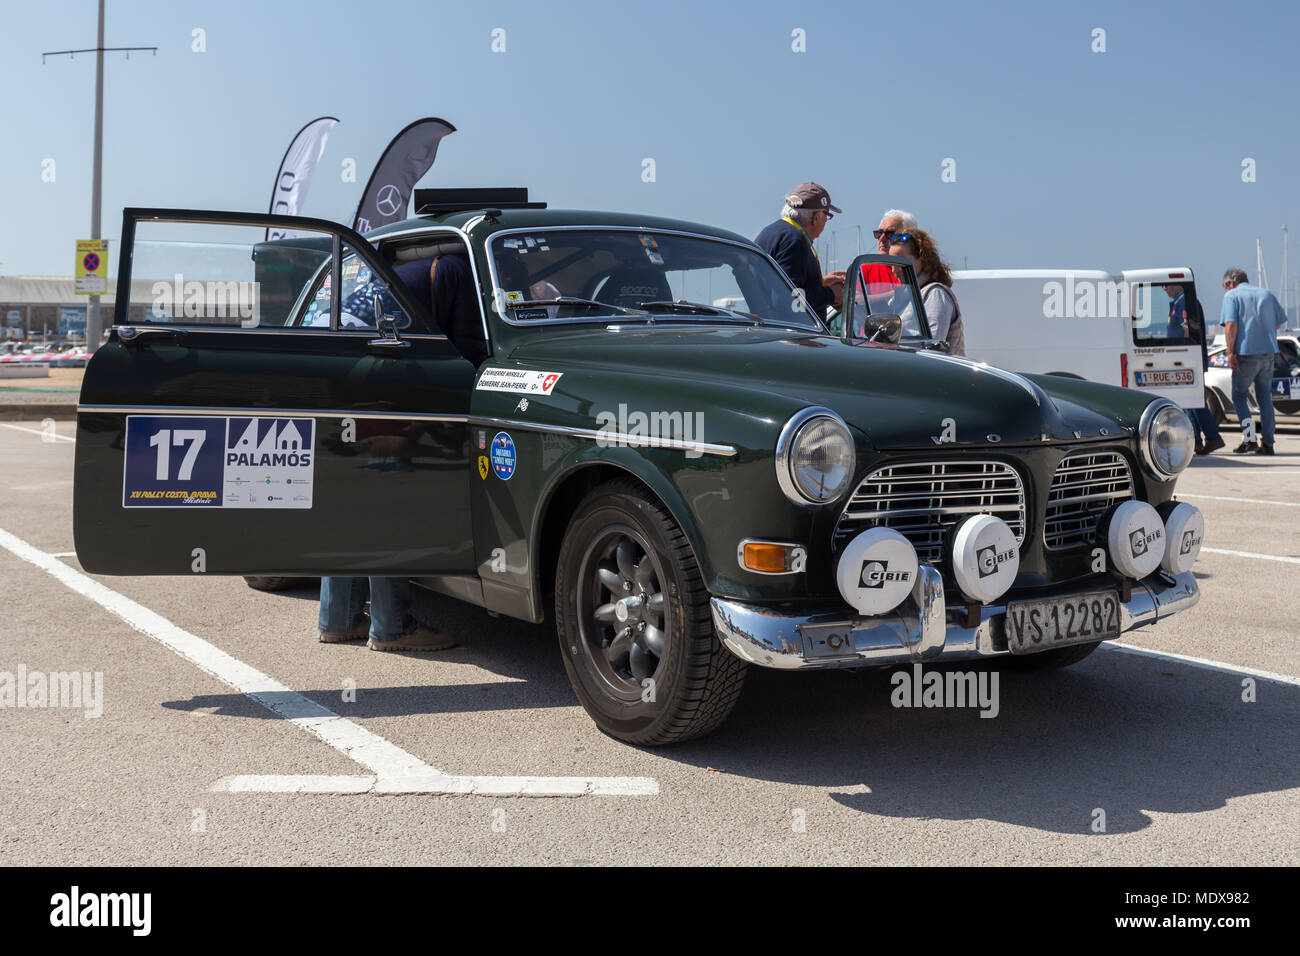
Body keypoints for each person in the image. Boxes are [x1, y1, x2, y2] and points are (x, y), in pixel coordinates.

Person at [754, 182, 846, 318]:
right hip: (790, 336)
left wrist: (820, 284)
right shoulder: (794, 240)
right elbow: (787, 300)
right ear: (816, 218)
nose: (826, 221)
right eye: (827, 216)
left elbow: (780, 288)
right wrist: (831, 294)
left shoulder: (772, 232)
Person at [1221, 266, 1285, 455]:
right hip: (1268, 353)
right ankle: (1268, 443)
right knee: (1265, 398)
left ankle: (1249, 438)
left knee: (1239, 396)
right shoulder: (1266, 294)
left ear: (1231, 283)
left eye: (1226, 287)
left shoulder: (1232, 296)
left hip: (1245, 354)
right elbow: (1278, 323)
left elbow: (1231, 324)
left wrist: (1230, 352)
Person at [1163, 284, 1224, 454]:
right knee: (1190, 402)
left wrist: (1180, 355)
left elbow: (1186, 329)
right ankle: (1198, 440)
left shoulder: (1185, 302)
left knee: (1192, 400)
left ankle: (1210, 438)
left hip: (1186, 359)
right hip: (1184, 359)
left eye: (1166, 285)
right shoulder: (1179, 302)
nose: (1164, 289)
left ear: (1177, 285)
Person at [887, 229, 965, 355]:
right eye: (892, 263)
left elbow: (933, 347)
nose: (894, 270)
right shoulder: (901, 297)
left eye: (901, 263)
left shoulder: (936, 294)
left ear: (922, 259)